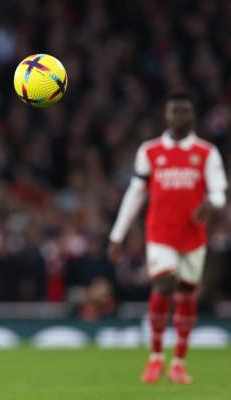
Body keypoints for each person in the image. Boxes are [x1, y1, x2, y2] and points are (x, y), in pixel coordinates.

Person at [108, 92, 227, 384]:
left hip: (193, 236)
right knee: (164, 282)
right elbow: (135, 193)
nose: (179, 117)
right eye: (174, 111)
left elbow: (219, 192)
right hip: (160, 234)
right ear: (166, 114)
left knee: (187, 293)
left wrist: (210, 203)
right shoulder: (149, 151)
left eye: (184, 112)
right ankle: (156, 357)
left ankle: (179, 363)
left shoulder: (206, 152)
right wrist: (117, 235)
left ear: (192, 116)